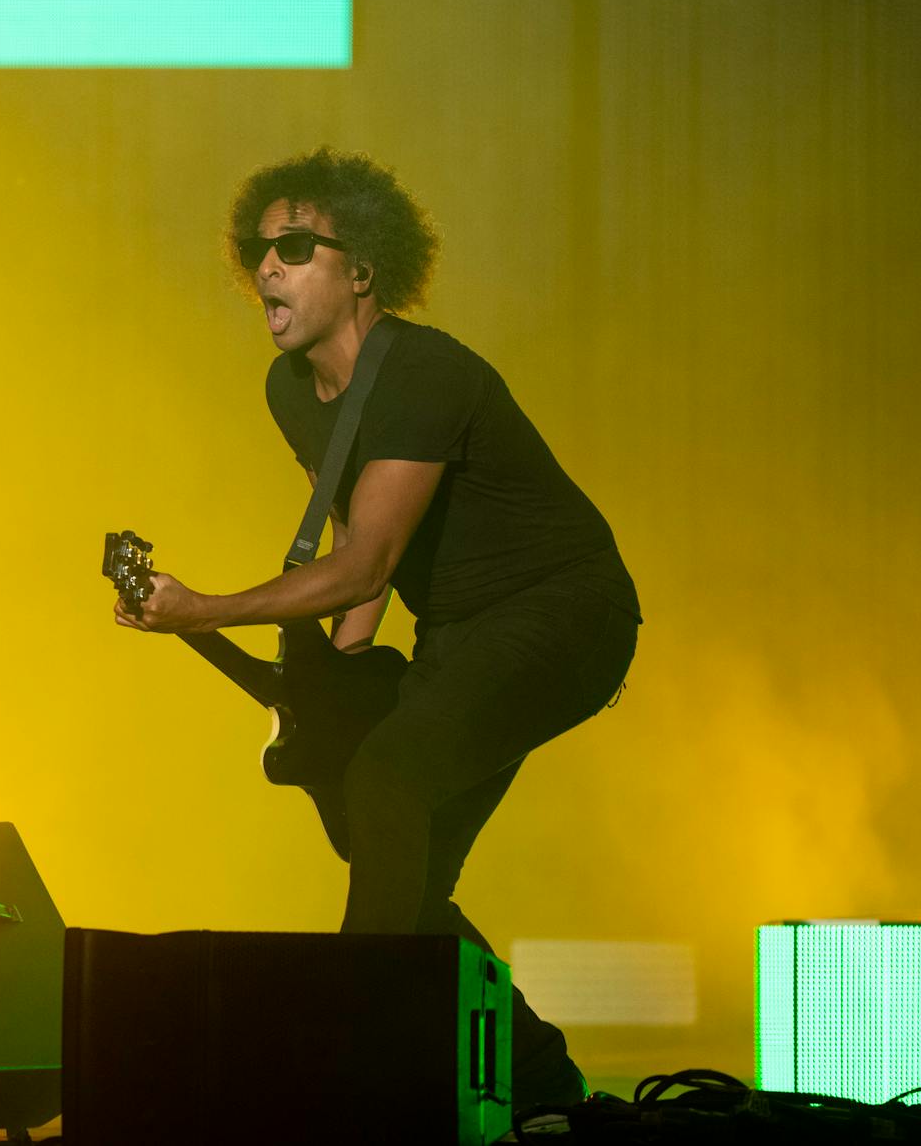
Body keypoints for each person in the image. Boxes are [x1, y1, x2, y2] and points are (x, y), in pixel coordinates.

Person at [114, 148, 638, 1108]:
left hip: (566, 610)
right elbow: (356, 529)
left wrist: (205, 607)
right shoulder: (290, 390)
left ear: (362, 272)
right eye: (256, 248)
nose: (266, 265)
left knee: (391, 780)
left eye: (296, 244)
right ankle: (543, 1084)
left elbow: (365, 565)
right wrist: (331, 678)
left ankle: (344, 1051)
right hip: (458, 631)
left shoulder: (427, 371)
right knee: (398, 862)